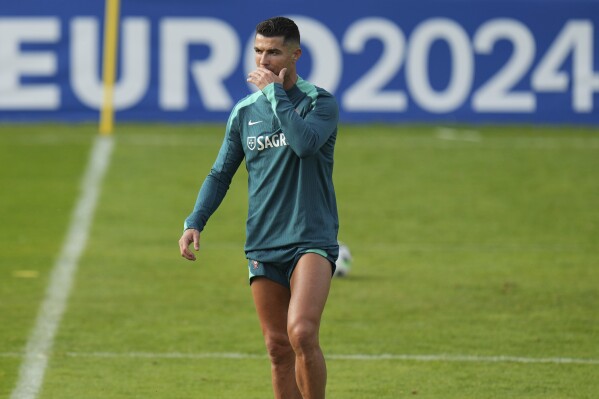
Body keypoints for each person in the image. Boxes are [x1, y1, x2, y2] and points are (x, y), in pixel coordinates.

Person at [178, 16, 339, 399]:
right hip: (264, 242)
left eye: (274, 53)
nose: (263, 61)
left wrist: (275, 96)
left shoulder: (320, 102)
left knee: (301, 331)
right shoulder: (244, 113)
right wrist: (194, 221)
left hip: (310, 237)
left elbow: (304, 145)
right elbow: (220, 174)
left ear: (295, 54)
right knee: (277, 347)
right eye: (258, 52)